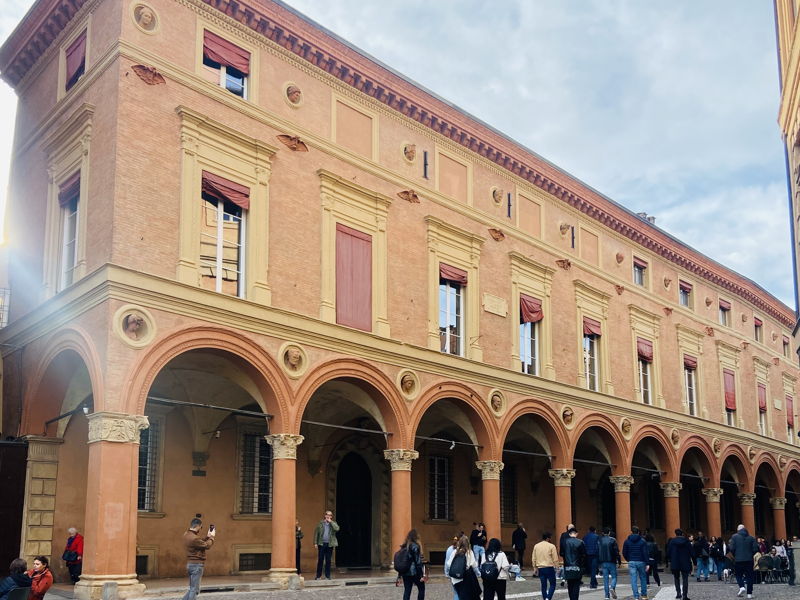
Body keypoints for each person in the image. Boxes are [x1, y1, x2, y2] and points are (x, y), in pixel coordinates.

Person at [182, 518, 215, 600]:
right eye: (201, 527)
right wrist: (212, 538)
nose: (201, 529)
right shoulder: (194, 538)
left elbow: (198, 543)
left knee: (192, 589)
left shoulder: (186, 534)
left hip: (190, 564)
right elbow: (207, 546)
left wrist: (207, 537)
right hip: (196, 565)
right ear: (198, 526)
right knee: (195, 590)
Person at [446, 535, 481, 600]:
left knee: (459, 595)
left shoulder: (455, 552)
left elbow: (448, 565)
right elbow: (474, 566)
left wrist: (449, 574)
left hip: (455, 579)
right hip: (465, 578)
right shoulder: (469, 552)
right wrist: (478, 574)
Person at [728, 524, 758, 599]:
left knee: (738, 575)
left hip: (738, 560)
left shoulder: (734, 537)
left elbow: (731, 548)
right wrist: (750, 555)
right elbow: (755, 549)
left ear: (738, 530)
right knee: (750, 577)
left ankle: (741, 587)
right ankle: (749, 594)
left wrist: (736, 555)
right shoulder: (751, 538)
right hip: (749, 560)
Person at [622, 525, 650, 600]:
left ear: (631, 532)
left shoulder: (627, 541)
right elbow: (645, 553)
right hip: (641, 562)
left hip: (631, 561)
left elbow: (624, 552)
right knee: (643, 578)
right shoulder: (642, 541)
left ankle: (636, 596)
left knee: (633, 579)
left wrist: (628, 559)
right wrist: (647, 563)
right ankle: (644, 595)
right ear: (638, 532)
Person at [398, 529, 426, 600]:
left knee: (407, 590)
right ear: (416, 537)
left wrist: (399, 575)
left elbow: (401, 561)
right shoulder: (415, 546)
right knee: (421, 588)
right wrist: (422, 575)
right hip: (414, 572)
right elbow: (418, 562)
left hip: (405, 571)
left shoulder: (404, 546)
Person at [532, 531, 560, 600]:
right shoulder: (551, 546)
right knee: (553, 584)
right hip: (549, 567)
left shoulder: (536, 546)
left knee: (543, 585)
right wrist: (557, 567)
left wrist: (535, 568)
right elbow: (555, 558)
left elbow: (533, 558)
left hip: (540, 568)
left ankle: (545, 598)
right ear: (548, 538)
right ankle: (548, 598)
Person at [313, 509, 339, 580]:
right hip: (321, 544)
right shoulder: (321, 523)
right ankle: (318, 576)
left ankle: (327, 576)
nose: (328, 516)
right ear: (325, 515)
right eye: (327, 515)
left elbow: (337, 529)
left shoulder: (333, 523)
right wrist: (315, 542)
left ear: (331, 517)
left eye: (330, 515)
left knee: (328, 560)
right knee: (320, 560)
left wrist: (331, 522)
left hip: (329, 544)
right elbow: (316, 533)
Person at [667, 529, 692, 600]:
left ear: (676, 534)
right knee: (685, 579)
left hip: (675, 562)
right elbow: (692, 552)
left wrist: (670, 559)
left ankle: (678, 593)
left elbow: (668, 552)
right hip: (685, 562)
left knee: (676, 578)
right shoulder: (687, 542)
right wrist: (693, 560)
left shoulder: (672, 541)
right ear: (682, 534)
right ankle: (685, 595)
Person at [561, 527, 586, 600]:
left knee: (570, 584)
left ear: (569, 534)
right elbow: (584, 555)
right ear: (576, 534)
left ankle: (571, 598)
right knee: (576, 585)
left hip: (568, 566)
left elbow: (562, 553)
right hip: (577, 566)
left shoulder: (564, 542)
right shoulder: (580, 542)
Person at [598, 526, 620, 600]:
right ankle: (612, 587)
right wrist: (619, 560)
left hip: (603, 561)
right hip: (612, 561)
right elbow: (616, 551)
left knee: (605, 579)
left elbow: (597, 550)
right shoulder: (613, 540)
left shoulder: (599, 540)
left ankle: (606, 596)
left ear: (603, 533)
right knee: (614, 576)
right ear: (609, 533)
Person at [444, 535, 461, 600]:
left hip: (452, 573)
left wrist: (447, 573)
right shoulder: (461, 549)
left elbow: (446, 562)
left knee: (456, 592)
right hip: (460, 573)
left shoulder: (449, 549)